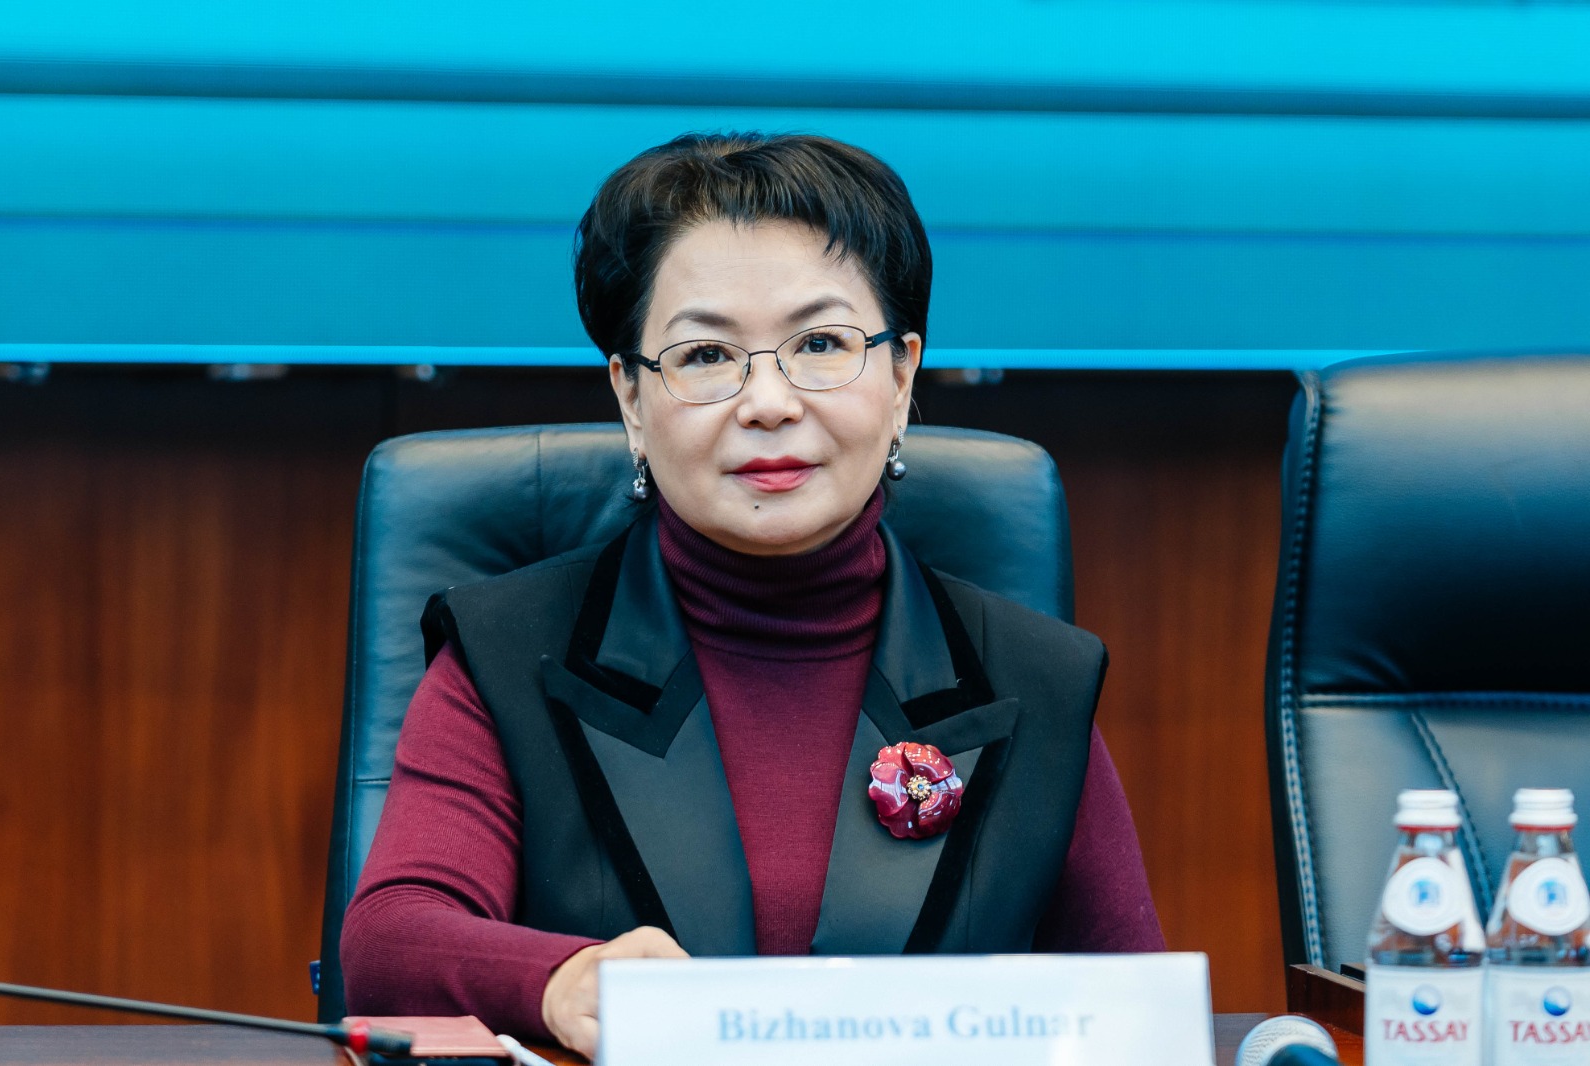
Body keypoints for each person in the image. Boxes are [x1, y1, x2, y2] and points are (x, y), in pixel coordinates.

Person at [340, 132, 1163, 1059]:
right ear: (631, 399)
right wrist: (559, 980)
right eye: (704, 355)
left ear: (901, 377)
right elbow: (388, 942)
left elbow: (1135, 1017)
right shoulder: (506, 655)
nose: (768, 401)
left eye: (821, 344)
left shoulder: (1035, 682)